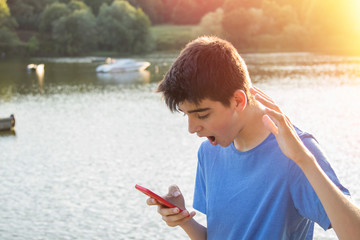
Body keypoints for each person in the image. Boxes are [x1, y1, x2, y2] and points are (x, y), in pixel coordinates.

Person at [146, 36, 359, 239]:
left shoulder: (297, 150)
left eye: (202, 115)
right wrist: (183, 219)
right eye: (187, 114)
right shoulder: (209, 151)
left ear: (238, 100)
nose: (192, 128)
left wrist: (304, 160)